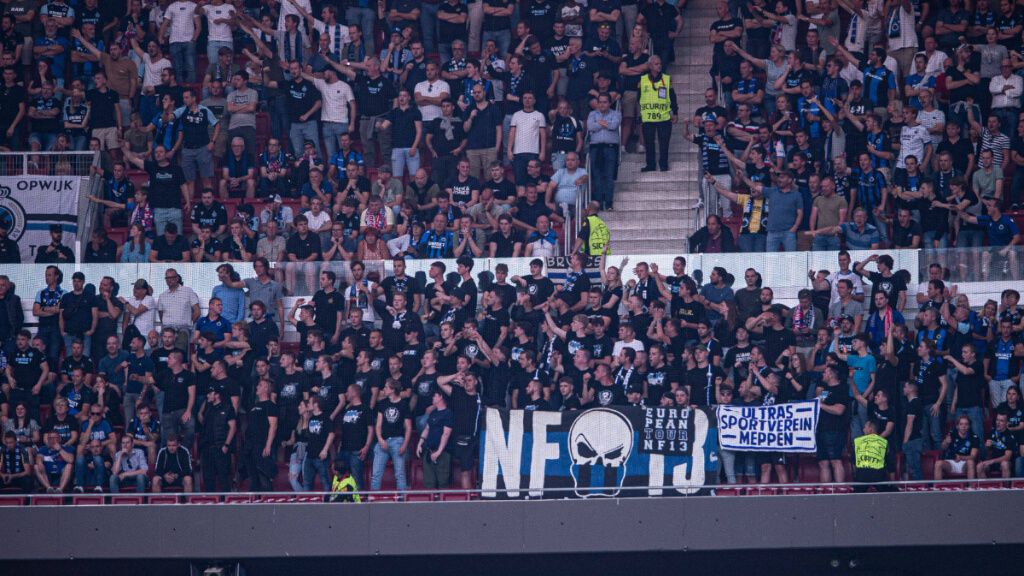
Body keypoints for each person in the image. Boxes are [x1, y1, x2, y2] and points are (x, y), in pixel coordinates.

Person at [638, 55, 677, 172]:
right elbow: (638, 98)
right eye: (656, 64)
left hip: (663, 116)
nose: (659, 66)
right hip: (648, 117)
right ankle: (650, 165)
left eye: (660, 63)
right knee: (649, 143)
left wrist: (675, 112)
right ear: (650, 66)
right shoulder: (642, 79)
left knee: (664, 142)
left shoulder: (667, 79)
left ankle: (663, 164)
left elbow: (672, 97)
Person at [417, 390, 454, 490]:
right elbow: (427, 429)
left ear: (440, 397)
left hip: (442, 453)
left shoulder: (448, 413)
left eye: (434, 395)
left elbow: (446, 434)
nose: (432, 398)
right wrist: (420, 443)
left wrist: (438, 452)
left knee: (443, 482)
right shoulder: (433, 413)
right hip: (429, 450)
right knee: (429, 483)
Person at [852, 419, 893, 492]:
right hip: (879, 476)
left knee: (856, 495)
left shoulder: (857, 441)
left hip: (861, 476)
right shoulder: (884, 442)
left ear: (870, 429)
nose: (863, 429)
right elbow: (890, 464)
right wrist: (892, 483)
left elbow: (854, 463)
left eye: (865, 427)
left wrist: (857, 476)